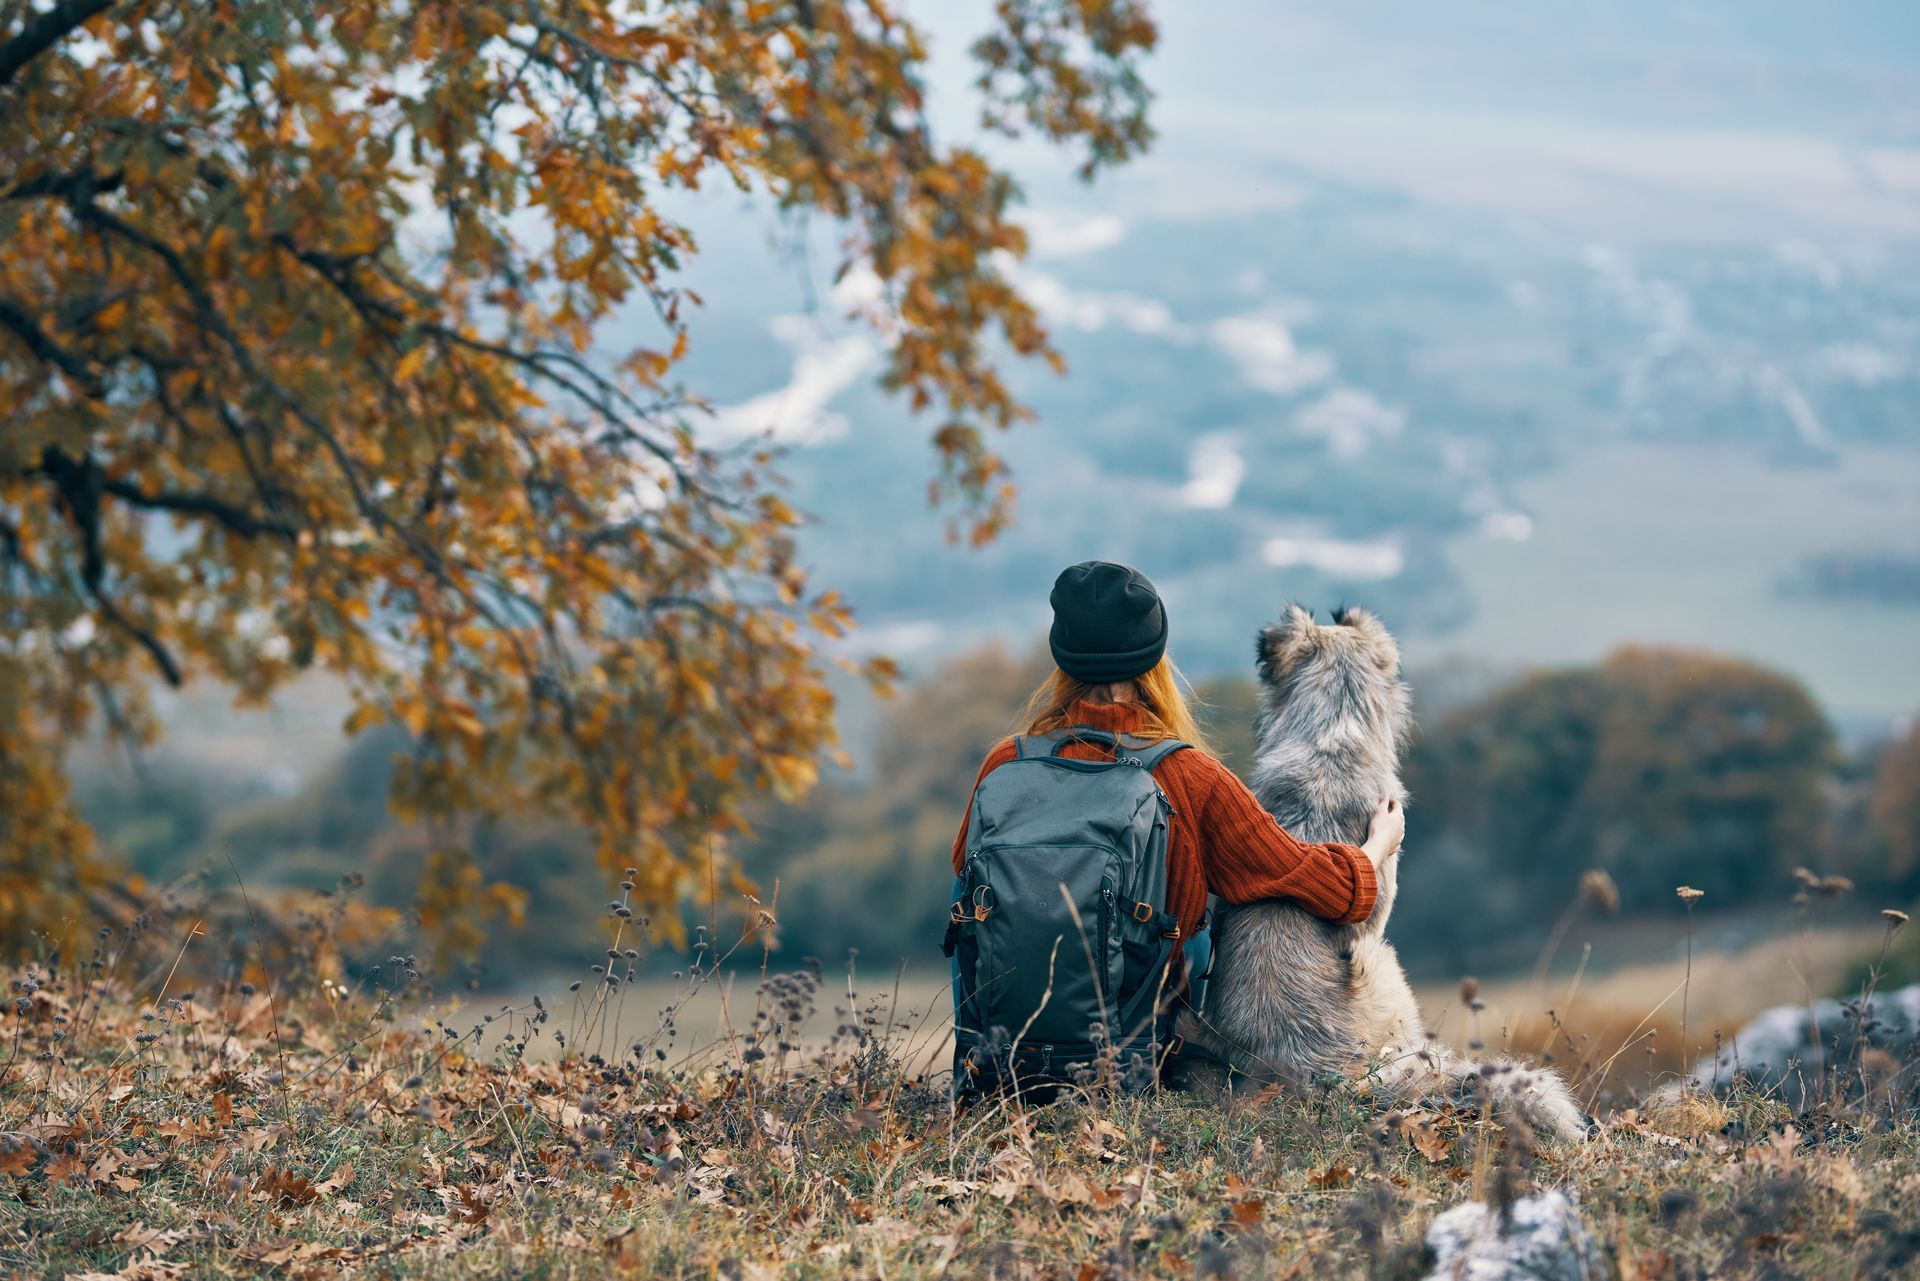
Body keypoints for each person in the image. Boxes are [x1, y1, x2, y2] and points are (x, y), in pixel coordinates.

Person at [946, 560, 1404, 1091]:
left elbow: (967, 885)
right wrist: (1375, 848)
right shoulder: (1191, 776)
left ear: (1062, 657)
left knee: (972, 893)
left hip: (1002, 1070)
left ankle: (980, 1062)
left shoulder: (1004, 764)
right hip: (1127, 1065)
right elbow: (1310, 881)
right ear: (1154, 659)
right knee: (1199, 920)